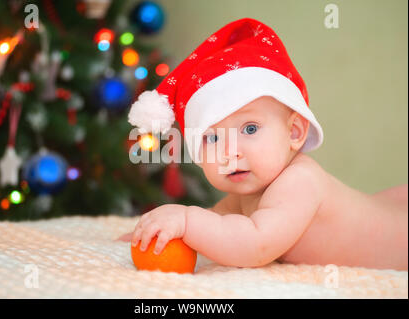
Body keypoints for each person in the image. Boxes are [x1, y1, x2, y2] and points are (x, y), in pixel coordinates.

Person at [118, 18, 408, 271]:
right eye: (212, 137)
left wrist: (186, 221)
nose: (230, 151)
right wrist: (162, 230)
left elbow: (254, 244)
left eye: (251, 128)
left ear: (293, 131)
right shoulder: (247, 191)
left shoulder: (301, 182)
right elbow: (219, 223)